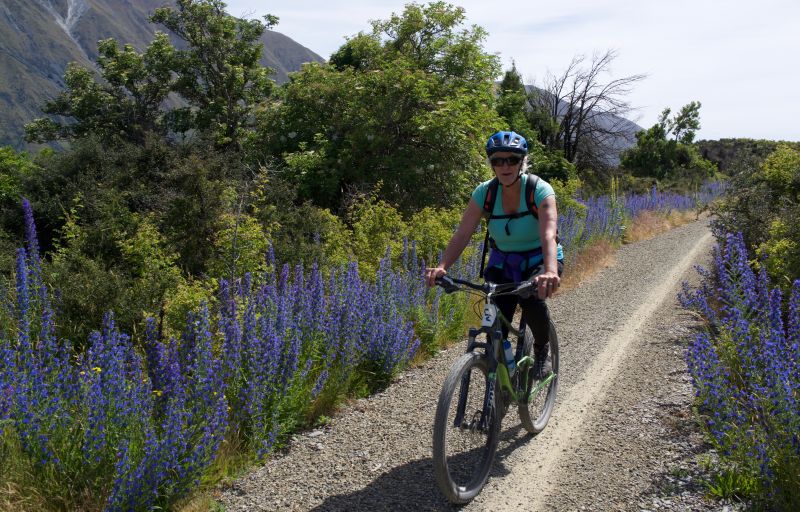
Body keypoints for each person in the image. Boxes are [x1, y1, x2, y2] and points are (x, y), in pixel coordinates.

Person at [425, 130, 563, 379]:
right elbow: (462, 234)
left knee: (532, 300)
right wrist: (442, 266)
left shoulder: (539, 189)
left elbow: (548, 235)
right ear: (491, 164)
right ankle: (503, 379)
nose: (504, 165)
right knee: (494, 324)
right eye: (497, 161)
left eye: (511, 159)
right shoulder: (485, 193)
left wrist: (551, 271)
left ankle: (543, 350)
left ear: (522, 161)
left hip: (539, 259)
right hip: (504, 261)